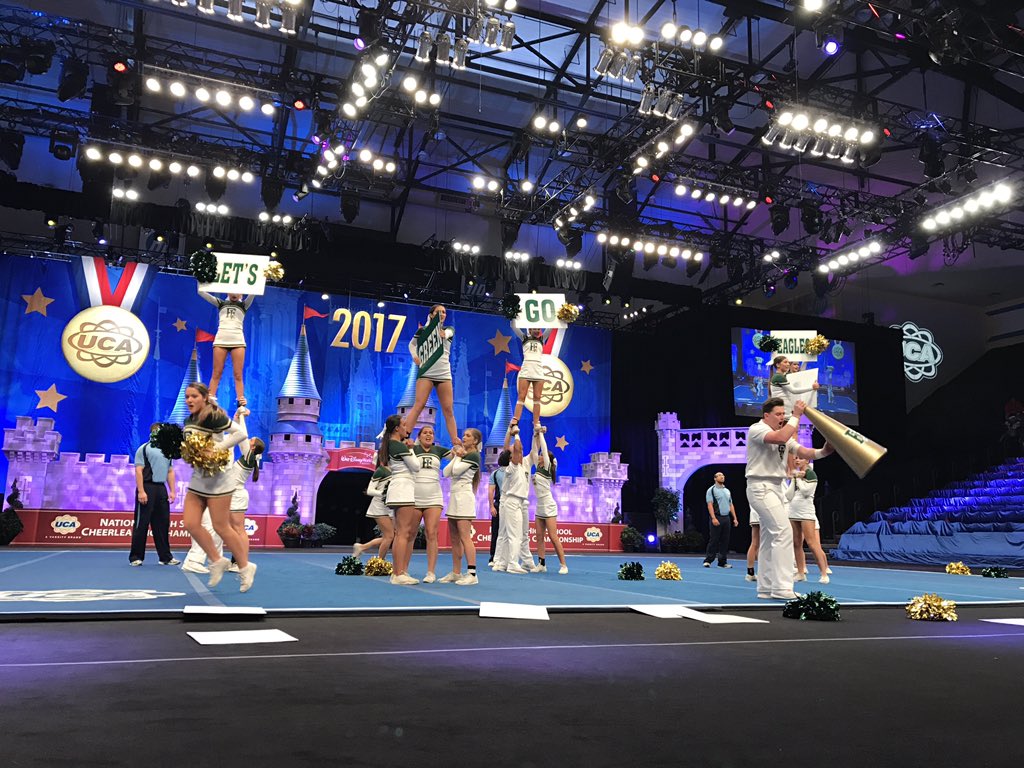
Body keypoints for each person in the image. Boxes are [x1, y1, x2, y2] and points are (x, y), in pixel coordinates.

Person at [745, 397, 833, 600]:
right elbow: (779, 438)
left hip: (775, 488)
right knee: (783, 533)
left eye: (783, 414)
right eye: (778, 414)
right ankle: (783, 588)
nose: (782, 417)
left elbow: (804, 451)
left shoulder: (784, 435)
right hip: (761, 486)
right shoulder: (757, 429)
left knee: (769, 538)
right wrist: (796, 415)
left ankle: (766, 588)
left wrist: (825, 451)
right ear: (766, 415)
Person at [180, 383, 257, 591]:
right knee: (190, 523)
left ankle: (245, 567)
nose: (189, 400)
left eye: (194, 396)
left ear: (204, 398)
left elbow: (240, 434)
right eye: (187, 396)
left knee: (221, 526)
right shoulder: (189, 420)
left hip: (218, 479)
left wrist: (217, 449)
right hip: (199, 478)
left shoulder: (214, 415)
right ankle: (217, 560)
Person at [399, 305, 461, 447]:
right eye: (439, 312)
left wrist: (444, 335)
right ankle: (404, 437)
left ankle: (455, 442)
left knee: (448, 409)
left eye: (444, 312)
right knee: (419, 405)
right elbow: (412, 344)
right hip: (426, 371)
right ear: (432, 315)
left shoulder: (448, 329)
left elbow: (450, 333)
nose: (442, 314)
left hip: (444, 373)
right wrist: (415, 356)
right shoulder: (423, 331)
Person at [381, 414, 423, 585]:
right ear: (397, 428)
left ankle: (398, 572)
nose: (407, 428)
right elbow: (416, 466)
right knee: (403, 533)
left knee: (401, 533)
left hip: (399, 488)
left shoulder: (392, 444)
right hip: (403, 488)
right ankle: (398, 573)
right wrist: (412, 448)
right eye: (404, 425)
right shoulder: (397, 445)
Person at [129, 424, 178, 566]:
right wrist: (141, 491)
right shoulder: (143, 449)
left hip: (161, 489)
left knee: (162, 524)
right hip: (147, 487)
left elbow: (170, 472)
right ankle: (136, 557)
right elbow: (139, 471)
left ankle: (165, 557)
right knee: (141, 524)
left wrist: (173, 491)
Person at [439, 427, 483, 585]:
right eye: (464, 435)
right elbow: (445, 472)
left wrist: (458, 455)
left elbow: (456, 471)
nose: (464, 438)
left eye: (468, 436)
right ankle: (456, 572)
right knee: (454, 538)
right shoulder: (463, 455)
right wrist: (457, 454)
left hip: (464, 497)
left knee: (465, 537)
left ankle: (472, 574)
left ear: (475, 441)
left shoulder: (473, 455)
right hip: (454, 497)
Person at [198, 289, 254, 407]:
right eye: (232, 292)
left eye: (237, 292)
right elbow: (201, 293)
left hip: (238, 341)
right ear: (227, 292)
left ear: (241, 294)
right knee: (217, 372)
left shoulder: (244, 305)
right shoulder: (220, 303)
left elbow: (254, 291)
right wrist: (200, 279)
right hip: (221, 340)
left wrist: (263, 275)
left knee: (238, 374)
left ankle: (240, 401)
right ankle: (211, 398)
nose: (234, 294)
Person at [491, 426, 533, 574]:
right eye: (516, 452)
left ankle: (502, 563)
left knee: (509, 534)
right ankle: (513, 563)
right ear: (511, 457)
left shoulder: (521, 467)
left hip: (514, 502)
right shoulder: (512, 467)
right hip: (512, 501)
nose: (520, 452)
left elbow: (516, 448)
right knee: (514, 534)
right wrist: (516, 434)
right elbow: (517, 447)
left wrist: (510, 431)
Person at [411, 424, 449, 583]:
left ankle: (431, 572)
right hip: (414, 496)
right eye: (425, 433)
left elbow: (458, 454)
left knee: (431, 534)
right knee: (409, 535)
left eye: (431, 433)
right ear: (419, 436)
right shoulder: (412, 449)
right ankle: (403, 571)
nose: (429, 435)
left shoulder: (439, 450)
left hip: (433, 496)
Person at [530, 428, 568, 574]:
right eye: (539, 456)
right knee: (539, 536)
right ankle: (541, 564)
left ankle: (563, 564)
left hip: (549, 505)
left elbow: (544, 450)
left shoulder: (546, 468)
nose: (539, 456)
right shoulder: (537, 467)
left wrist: (541, 434)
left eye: (541, 456)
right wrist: (535, 436)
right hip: (539, 505)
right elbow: (534, 450)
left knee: (553, 536)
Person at [787, 457, 831, 583]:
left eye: (800, 458)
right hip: (793, 511)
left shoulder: (811, 473)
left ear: (807, 461)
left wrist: (799, 479)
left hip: (806, 512)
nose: (797, 460)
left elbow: (806, 492)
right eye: (795, 458)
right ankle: (801, 573)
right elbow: (788, 496)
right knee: (796, 543)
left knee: (812, 543)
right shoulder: (797, 475)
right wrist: (795, 479)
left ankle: (823, 573)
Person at [353, 461, 394, 561]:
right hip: (379, 507)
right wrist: (385, 494)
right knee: (389, 536)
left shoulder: (399, 471)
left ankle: (362, 547)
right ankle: (380, 563)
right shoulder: (381, 470)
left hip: (392, 506)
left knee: (393, 536)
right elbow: (370, 491)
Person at [509, 328, 549, 431]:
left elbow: (552, 327)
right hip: (526, 370)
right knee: (521, 396)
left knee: (537, 397)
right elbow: (513, 325)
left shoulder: (542, 339)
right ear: (529, 330)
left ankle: (536, 423)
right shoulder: (524, 338)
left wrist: (560, 316)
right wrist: (513, 313)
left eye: (538, 329)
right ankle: (515, 420)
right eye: (534, 329)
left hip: (538, 371)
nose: (537, 330)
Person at [702, 471, 738, 568]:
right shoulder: (711, 490)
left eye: (723, 475)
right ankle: (708, 560)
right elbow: (709, 505)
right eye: (719, 475)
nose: (722, 477)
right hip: (717, 517)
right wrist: (713, 518)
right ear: (715, 478)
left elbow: (731, 505)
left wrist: (735, 518)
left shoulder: (727, 491)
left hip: (726, 518)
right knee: (714, 539)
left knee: (725, 540)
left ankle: (722, 562)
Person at [488, 462, 505, 565]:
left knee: (509, 533)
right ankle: (493, 556)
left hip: (510, 505)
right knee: (495, 531)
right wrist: (491, 506)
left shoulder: (514, 472)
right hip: (498, 504)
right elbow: (491, 491)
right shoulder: (495, 474)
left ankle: (506, 557)